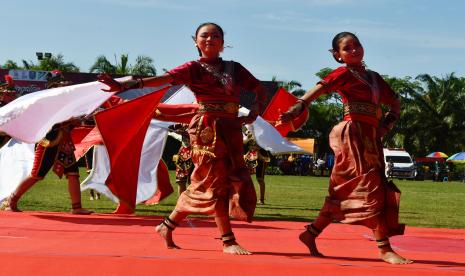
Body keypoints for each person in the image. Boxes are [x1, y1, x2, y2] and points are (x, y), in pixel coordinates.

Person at [98, 22, 267, 255]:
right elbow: (163, 79)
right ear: (195, 41)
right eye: (205, 36)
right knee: (215, 182)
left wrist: (255, 107)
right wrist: (127, 84)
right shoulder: (192, 68)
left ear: (223, 42)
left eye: (215, 36)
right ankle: (228, 240)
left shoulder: (234, 68)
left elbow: (258, 88)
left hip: (231, 127)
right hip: (207, 127)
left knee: (217, 181)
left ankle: (167, 226)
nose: (210, 39)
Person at [279, 32, 411, 264]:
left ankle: (310, 234)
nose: (354, 50)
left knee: (344, 191)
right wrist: (298, 106)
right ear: (337, 56)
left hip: (371, 137)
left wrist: (387, 124)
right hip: (352, 134)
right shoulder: (343, 73)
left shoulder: (374, 77)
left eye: (357, 45)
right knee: (372, 187)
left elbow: (395, 101)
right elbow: (318, 89)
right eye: (347, 48)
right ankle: (384, 249)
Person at [1, 75, 93, 215]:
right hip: (48, 143)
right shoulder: (49, 104)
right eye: (63, 85)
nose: (66, 86)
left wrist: (76, 120)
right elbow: (52, 122)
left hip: (64, 143)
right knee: (37, 174)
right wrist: (71, 120)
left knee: (73, 173)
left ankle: (76, 207)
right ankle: (11, 201)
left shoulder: (69, 105)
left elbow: (70, 120)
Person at [244, 132, 271, 204]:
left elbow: (266, 155)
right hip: (252, 158)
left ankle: (261, 199)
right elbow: (250, 149)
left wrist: (258, 149)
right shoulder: (250, 135)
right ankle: (247, 198)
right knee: (245, 179)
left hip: (260, 160)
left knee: (260, 179)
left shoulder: (262, 138)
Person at [171, 124, 194, 195]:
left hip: (197, 153)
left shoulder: (199, 119)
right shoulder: (180, 123)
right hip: (183, 153)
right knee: (180, 181)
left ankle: (192, 204)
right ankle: (181, 203)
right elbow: (171, 128)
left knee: (194, 181)